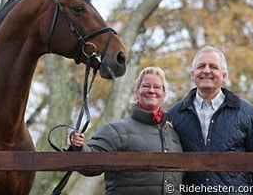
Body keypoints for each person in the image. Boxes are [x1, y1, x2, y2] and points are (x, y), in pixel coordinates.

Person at [70, 66, 183, 195]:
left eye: (157, 87)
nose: (151, 90)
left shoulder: (174, 135)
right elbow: (90, 165)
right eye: (146, 86)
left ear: (163, 95)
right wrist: (78, 147)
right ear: (136, 92)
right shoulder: (115, 130)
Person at [167, 45, 253, 194]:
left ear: (224, 75)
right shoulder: (175, 114)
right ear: (192, 74)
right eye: (201, 66)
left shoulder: (246, 112)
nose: (206, 70)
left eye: (213, 66)